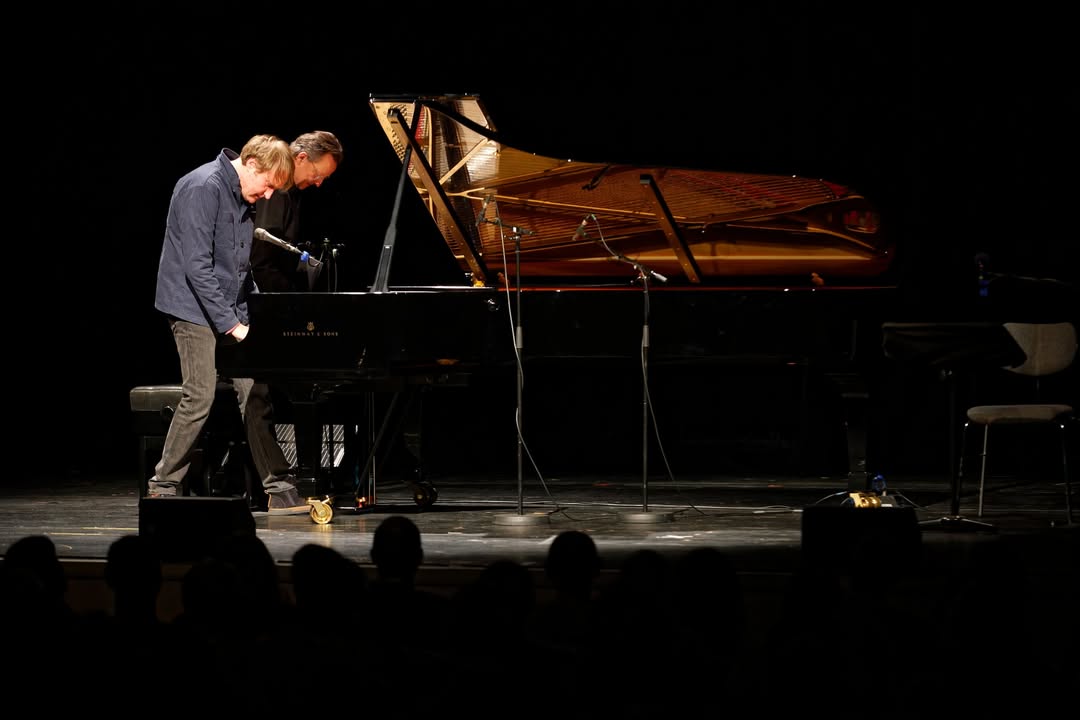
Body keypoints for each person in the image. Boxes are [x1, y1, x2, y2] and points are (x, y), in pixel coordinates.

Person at [148, 134, 309, 515]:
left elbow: (239, 266)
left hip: (227, 306)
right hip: (190, 307)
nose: (269, 196)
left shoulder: (244, 193)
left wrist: (252, 313)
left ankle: (278, 487)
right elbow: (197, 268)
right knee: (199, 395)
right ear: (252, 165)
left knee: (256, 390)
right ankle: (163, 483)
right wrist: (232, 326)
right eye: (269, 184)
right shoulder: (202, 187)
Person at [252, 130, 343, 292]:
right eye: (317, 175)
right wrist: (294, 299)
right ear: (301, 158)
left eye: (324, 178)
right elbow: (261, 264)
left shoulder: (293, 193)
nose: (318, 183)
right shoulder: (276, 189)